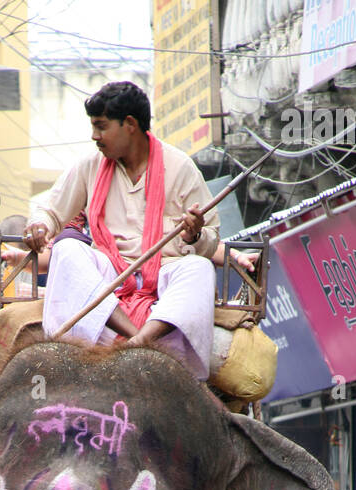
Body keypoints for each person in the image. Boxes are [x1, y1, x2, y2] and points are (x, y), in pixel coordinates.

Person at [23, 82, 254, 379]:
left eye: (101, 127)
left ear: (129, 124)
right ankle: (138, 340)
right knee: (67, 250)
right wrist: (39, 225)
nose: (95, 136)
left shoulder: (180, 167)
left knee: (198, 268)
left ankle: (144, 340)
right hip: (107, 284)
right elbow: (50, 211)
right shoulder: (89, 166)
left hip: (164, 282)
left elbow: (210, 240)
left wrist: (195, 234)